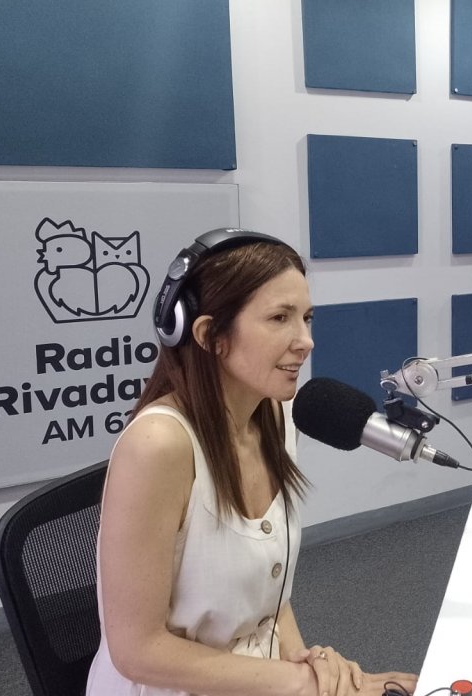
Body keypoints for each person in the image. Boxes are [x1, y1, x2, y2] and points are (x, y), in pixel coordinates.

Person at [87, 229, 418, 696]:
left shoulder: (276, 416)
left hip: (260, 678)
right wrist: (303, 684)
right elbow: (137, 650)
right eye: (280, 318)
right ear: (209, 335)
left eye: (306, 318)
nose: (306, 341)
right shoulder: (158, 445)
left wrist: (315, 668)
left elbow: (269, 596)